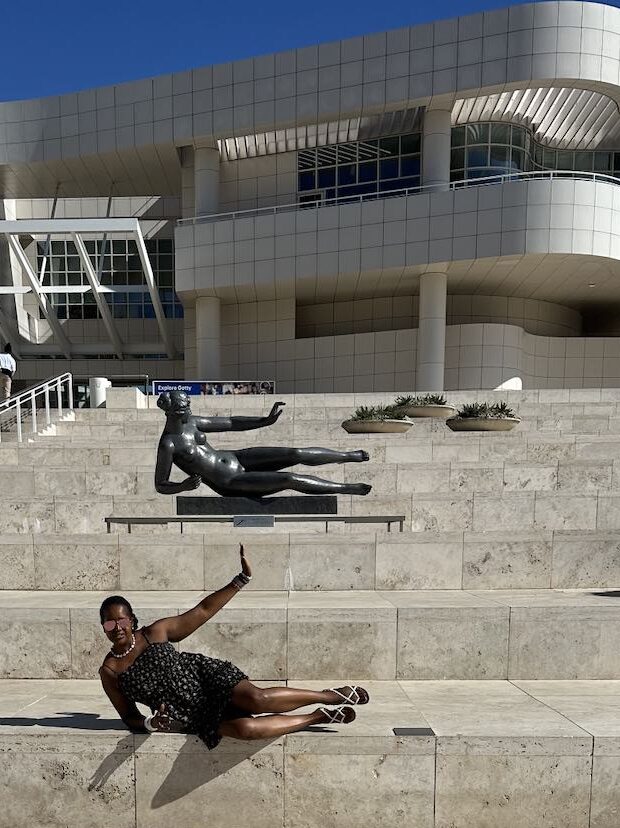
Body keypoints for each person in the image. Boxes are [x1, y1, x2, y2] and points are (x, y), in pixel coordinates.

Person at [98, 545, 369, 748]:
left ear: (132, 620)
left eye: (121, 620)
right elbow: (129, 717)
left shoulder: (154, 632)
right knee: (245, 729)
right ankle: (317, 717)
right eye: (109, 624)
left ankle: (329, 696)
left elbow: (202, 611)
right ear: (104, 628)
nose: (117, 627)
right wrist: (151, 723)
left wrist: (240, 580)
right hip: (188, 712)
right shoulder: (110, 671)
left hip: (205, 678)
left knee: (258, 699)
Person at [154, 390, 372, 498]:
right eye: (184, 408)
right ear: (171, 412)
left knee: (295, 453)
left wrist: (264, 421)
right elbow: (160, 484)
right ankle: (346, 488)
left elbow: (231, 423)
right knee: (289, 479)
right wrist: (183, 486)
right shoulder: (169, 444)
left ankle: (346, 456)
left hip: (237, 457)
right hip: (230, 480)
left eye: (189, 406)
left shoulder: (192, 422)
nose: (189, 411)